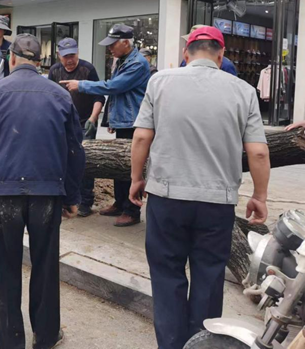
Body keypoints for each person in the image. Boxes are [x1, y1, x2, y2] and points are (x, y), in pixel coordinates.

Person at [129, 26, 270, 349]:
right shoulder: (243, 91)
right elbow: (258, 151)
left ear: (186, 54)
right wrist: (259, 196)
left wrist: (138, 178)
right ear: (221, 56)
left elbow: (141, 137)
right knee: (209, 278)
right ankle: (202, 345)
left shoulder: (159, 82)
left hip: (166, 197)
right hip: (216, 203)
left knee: (167, 277)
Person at [0, 34, 85, 349]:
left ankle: (10, 341)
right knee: (45, 266)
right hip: (47, 193)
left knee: (6, 268)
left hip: (4, 192)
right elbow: (75, 151)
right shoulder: (60, 96)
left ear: (12, 59)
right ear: (39, 62)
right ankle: (46, 337)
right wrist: (73, 197)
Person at [60, 24, 150, 227]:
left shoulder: (137, 63)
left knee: (130, 166)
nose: (109, 49)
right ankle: (119, 202)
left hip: (133, 122)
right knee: (119, 163)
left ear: (125, 43)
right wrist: (110, 119)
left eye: (113, 44)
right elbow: (117, 92)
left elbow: (114, 87)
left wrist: (81, 85)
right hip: (123, 120)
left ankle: (131, 210)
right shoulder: (121, 60)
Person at [48, 38, 104, 217]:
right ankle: (65, 199)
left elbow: (99, 96)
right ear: (59, 56)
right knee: (63, 161)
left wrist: (93, 118)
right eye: (65, 57)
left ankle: (86, 201)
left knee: (85, 161)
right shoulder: (55, 71)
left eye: (72, 55)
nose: (69, 60)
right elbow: (48, 97)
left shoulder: (87, 69)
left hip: (85, 122)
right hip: (62, 124)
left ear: (78, 53)